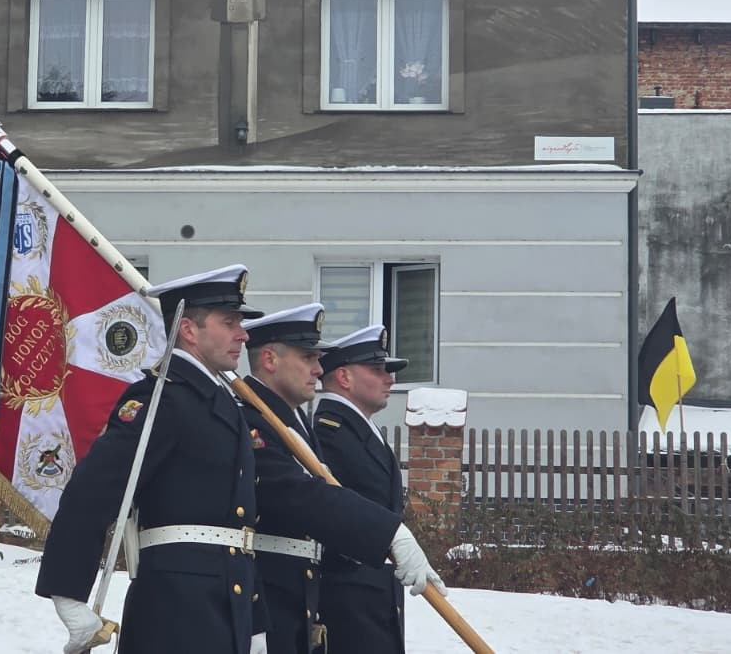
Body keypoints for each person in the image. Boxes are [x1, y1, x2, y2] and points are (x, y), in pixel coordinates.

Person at [38, 264, 270, 654]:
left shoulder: (222, 403)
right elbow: (94, 489)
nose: (242, 335)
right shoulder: (160, 398)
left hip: (223, 607)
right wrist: (68, 593)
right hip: (176, 610)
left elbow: (237, 527)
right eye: (229, 322)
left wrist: (254, 617)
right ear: (189, 330)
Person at [237, 304, 440, 654]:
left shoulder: (292, 422)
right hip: (275, 601)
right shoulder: (255, 422)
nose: (319, 369)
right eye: (308, 357)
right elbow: (301, 496)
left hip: (305, 604)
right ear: (270, 360)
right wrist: (388, 532)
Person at [313, 325, 410, 654]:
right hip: (347, 597)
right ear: (344, 377)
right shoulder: (330, 431)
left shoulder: (361, 430)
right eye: (378, 370)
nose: (390, 379)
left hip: (374, 596)